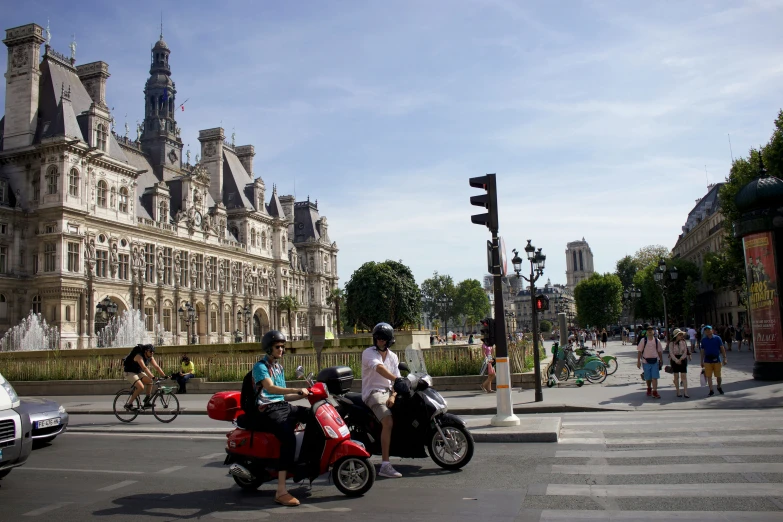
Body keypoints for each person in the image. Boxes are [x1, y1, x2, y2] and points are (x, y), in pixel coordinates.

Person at [253, 330, 311, 507]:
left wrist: (305, 396)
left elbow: (283, 397)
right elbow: (271, 389)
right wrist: (296, 390)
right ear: (269, 348)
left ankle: (306, 461)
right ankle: (281, 491)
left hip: (281, 406)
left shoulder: (279, 367)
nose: (281, 350)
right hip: (268, 409)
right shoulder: (260, 367)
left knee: (314, 416)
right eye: (278, 347)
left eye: (283, 347)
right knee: (288, 439)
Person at [361, 322, 402, 478]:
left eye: (383, 339)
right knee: (388, 421)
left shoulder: (393, 357)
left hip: (388, 392)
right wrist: (396, 380)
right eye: (378, 338)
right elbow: (379, 368)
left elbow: (396, 380)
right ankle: (385, 465)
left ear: (389, 340)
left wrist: (393, 394)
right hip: (373, 393)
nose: (380, 341)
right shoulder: (369, 353)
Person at [123, 344, 168, 411]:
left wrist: (164, 375)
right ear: (145, 351)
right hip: (129, 372)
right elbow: (144, 368)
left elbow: (157, 367)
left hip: (138, 372)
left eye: (153, 352)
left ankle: (147, 401)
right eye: (150, 351)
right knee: (141, 387)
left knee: (150, 381)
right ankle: (129, 404)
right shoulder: (139, 356)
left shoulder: (150, 357)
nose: (152, 353)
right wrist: (152, 376)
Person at [636, 325, 663, 399]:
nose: (650, 331)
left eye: (651, 330)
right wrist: (638, 361)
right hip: (646, 361)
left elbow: (660, 351)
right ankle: (649, 388)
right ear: (646, 332)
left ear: (654, 332)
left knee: (655, 377)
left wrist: (661, 360)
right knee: (648, 378)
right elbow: (639, 351)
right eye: (648, 330)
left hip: (655, 361)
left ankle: (655, 391)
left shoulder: (657, 341)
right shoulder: (643, 340)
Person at [700, 325, 727, 397]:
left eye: (709, 330)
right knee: (709, 376)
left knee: (718, 376)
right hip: (707, 360)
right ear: (705, 332)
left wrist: (725, 358)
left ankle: (719, 386)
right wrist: (701, 361)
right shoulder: (703, 340)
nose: (708, 331)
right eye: (706, 330)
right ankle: (711, 390)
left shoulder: (717, 338)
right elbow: (702, 351)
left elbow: (722, 348)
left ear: (712, 330)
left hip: (716, 359)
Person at [669, 329, 689, 398]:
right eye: (679, 335)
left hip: (682, 358)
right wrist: (676, 360)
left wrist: (681, 359)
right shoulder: (672, 343)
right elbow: (671, 352)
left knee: (684, 376)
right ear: (676, 336)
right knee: (676, 376)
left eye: (681, 334)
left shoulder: (683, 342)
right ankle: (678, 391)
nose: (681, 336)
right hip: (675, 359)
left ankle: (685, 392)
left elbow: (685, 351)